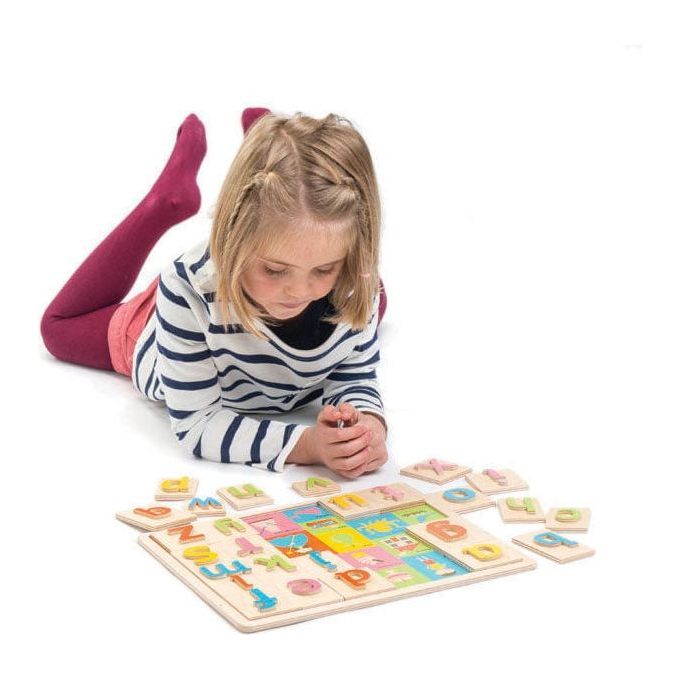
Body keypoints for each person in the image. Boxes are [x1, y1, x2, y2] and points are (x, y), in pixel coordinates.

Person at [40, 108, 388, 478]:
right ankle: (162, 204)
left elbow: (355, 377)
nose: (299, 291)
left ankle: (271, 156)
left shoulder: (355, 279)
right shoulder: (186, 292)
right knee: (57, 329)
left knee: (375, 299)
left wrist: (367, 429)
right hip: (175, 323)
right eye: (273, 269)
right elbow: (200, 425)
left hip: (263, 275)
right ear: (232, 237)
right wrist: (309, 446)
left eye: (324, 268)